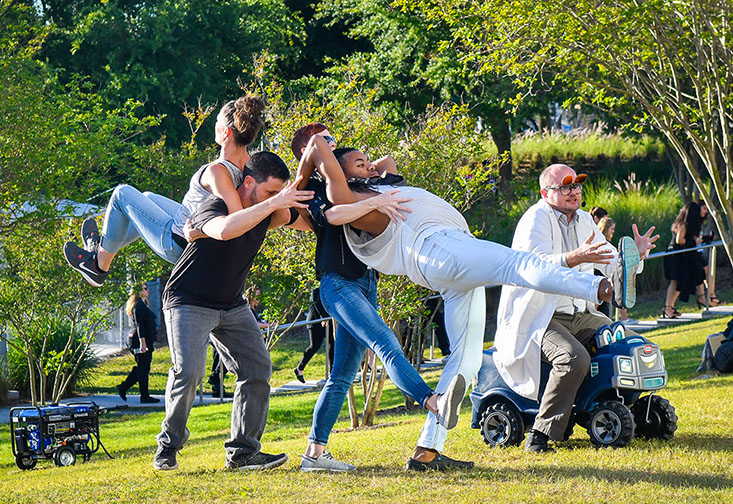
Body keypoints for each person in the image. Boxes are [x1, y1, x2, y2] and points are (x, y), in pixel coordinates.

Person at [297, 136, 633, 469]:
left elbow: (386, 162)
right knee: (517, 264)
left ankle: (427, 451)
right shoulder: (357, 201)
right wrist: (320, 162)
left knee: (466, 361)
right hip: (439, 249)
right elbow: (316, 147)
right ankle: (600, 288)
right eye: (359, 163)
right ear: (341, 176)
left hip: (448, 265)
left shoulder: (378, 188)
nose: (370, 164)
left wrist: (363, 166)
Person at [290, 126, 465, 473]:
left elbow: (388, 162)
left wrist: (366, 170)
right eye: (328, 141)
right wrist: (360, 186)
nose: (333, 143)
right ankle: (432, 400)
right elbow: (332, 213)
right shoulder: (320, 190)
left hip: (366, 283)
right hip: (338, 285)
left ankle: (314, 453)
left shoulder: (360, 185)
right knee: (385, 342)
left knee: (341, 376)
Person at [153, 151, 313, 471]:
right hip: (188, 300)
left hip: (231, 304)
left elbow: (302, 218)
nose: (274, 200)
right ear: (249, 182)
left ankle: (243, 453)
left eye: (277, 194)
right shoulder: (214, 205)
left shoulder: (270, 211)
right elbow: (225, 230)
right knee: (190, 372)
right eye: (269, 192)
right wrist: (271, 204)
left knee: (257, 369)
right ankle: (168, 445)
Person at [493, 164, 658, 453]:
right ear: (546, 193)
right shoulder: (535, 219)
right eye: (565, 186)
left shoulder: (583, 219)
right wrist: (574, 257)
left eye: (577, 185)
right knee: (573, 358)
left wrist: (635, 258)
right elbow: (538, 267)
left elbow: (609, 262)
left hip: (582, 315)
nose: (574, 191)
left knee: (631, 343)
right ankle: (540, 435)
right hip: (541, 317)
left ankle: (633, 413)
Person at [63, 94, 266, 286]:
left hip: (178, 243)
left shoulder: (218, 171)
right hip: (188, 224)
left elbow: (237, 219)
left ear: (226, 132)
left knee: (121, 194)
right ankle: (100, 247)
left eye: (216, 122)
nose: (214, 126)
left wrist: (197, 232)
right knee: (146, 198)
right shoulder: (249, 166)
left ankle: (98, 266)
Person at [209, 287, 269, 396]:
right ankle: (215, 382)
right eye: (257, 295)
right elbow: (251, 324)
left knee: (223, 362)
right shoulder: (243, 307)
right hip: (223, 336)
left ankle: (217, 384)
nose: (259, 298)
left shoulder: (250, 308)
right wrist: (266, 325)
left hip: (227, 336)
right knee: (224, 361)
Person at [662, 201, 713, 318]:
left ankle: (671, 307)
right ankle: (668, 308)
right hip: (674, 255)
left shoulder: (690, 226)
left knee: (683, 280)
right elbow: (679, 241)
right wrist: (694, 242)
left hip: (681, 256)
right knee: (675, 281)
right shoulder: (683, 225)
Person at [116, 282, 160, 404]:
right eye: (145, 289)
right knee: (143, 368)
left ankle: (126, 388)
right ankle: (142, 395)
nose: (148, 291)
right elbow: (140, 326)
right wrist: (143, 344)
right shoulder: (139, 306)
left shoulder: (142, 304)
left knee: (143, 368)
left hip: (143, 340)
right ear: (138, 291)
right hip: (139, 341)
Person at [294, 287, 334, 383]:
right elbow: (316, 302)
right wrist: (324, 317)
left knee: (332, 344)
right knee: (315, 346)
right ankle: (300, 368)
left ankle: (332, 371)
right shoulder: (316, 289)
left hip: (327, 319)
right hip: (316, 320)